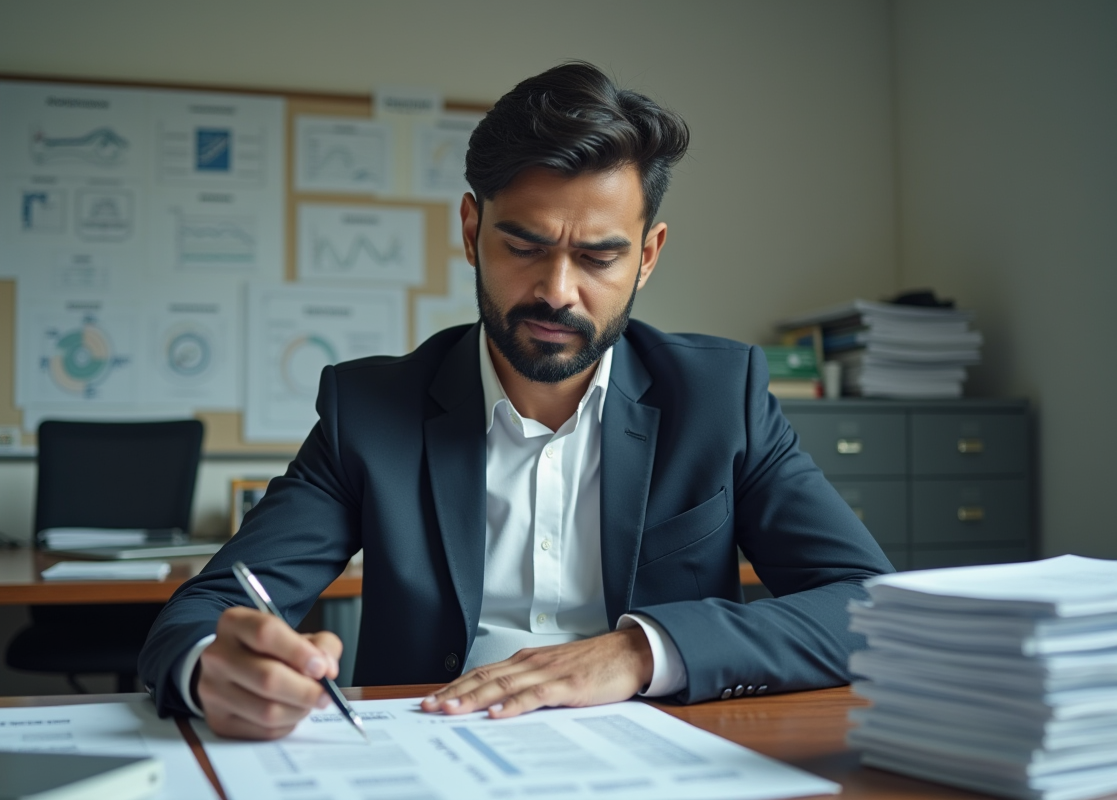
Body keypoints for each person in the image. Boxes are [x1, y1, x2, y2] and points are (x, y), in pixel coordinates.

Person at [139, 61, 893, 740]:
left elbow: (870, 611)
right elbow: (200, 614)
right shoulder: (370, 410)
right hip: (435, 757)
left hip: (659, 756)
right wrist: (214, 669)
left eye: (599, 256)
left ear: (649, 256)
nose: (557, 292)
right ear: (472, 231)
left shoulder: (719, 398)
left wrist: (641, 650)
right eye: (525, 246)